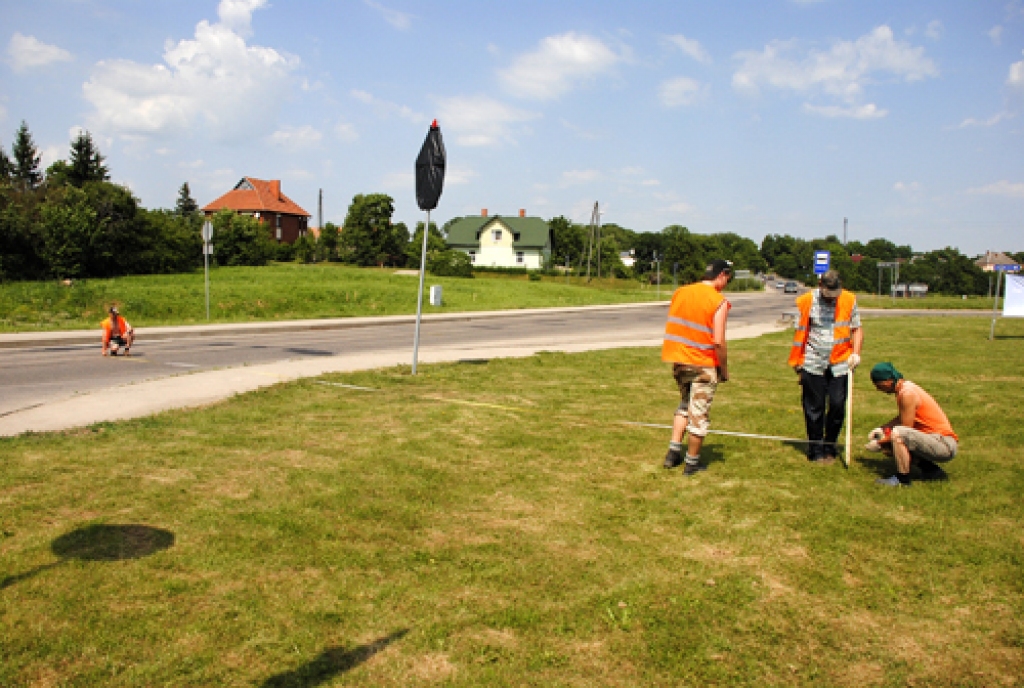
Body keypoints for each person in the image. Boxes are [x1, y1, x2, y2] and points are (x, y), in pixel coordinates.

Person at [661, 259, 732, 475]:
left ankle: (673, 453)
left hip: (679, 361)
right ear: (722, 275)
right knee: (699, 415)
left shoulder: (680, 292)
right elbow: (718, 340)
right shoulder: (718, 301)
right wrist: (723, 369)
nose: (727, 283)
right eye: (728, 278)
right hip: (703, 364)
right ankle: (692, 463)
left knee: (685, 404)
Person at [788, 270, 863, 465]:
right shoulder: (807, 301)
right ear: (820, 286)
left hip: (840, 362)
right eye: (828, 295)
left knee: (837, 405)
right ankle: (816, 448)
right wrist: (799, 364)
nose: (831, 299)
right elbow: (801, 332)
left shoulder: (849, 300)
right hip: (813, 362)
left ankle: (830, 444)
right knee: (814, 407)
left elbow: (857, 329)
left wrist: (856, 353)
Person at [866, 362, 958, 487]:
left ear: (888, 381)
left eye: (879, 385)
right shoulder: (905, 388)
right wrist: (883, 429)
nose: (878, 389)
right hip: (938, 440)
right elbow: (904, 416)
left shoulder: (907, 394)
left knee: (898, 435)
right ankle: (931, 471)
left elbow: (905, 430)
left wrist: (879, 444)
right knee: (895, 437)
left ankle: (902, 479)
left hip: (944, 444)